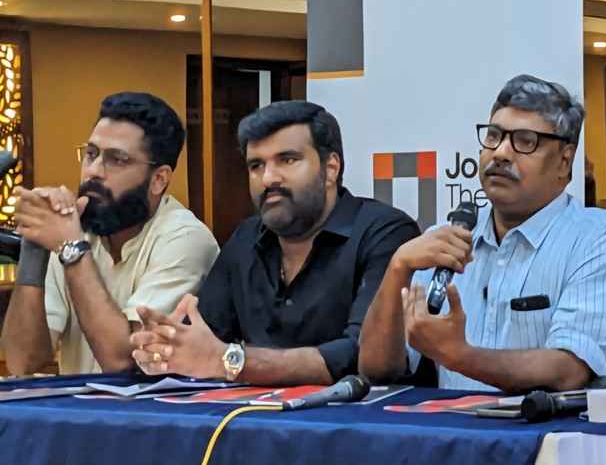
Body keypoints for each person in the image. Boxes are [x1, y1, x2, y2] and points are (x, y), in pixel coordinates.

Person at [359, 74, 606, 392]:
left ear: (565, 162)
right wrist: (398, 268)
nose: (500, 153)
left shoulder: (602, 238)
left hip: (568, 423)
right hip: (458, 423)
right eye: (494, 136)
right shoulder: (447, 239)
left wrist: (459, 356)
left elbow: (567, 371)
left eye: (525, 141)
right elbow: (376, 370)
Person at [130, 101, 420, 385]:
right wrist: (166, 348)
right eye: (256, 165)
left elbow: (361, 357)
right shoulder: (246, 238)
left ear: (331, 168)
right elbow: (206, 342)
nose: (268, 178)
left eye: (288, 160)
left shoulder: (385, 233)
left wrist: (233, 362)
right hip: (255, 414)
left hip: (363, 416)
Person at [1, 92, 219, 375]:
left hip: (150, 404)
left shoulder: (186, 239)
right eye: (91, 154)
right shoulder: (74, 229)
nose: (93, 171)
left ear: (158, 179)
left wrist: (71, 248)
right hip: (76, 403)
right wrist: (35, 249)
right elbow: (23, 362)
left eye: (117, 160)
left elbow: (123, 363)